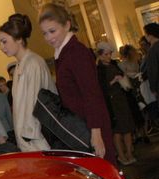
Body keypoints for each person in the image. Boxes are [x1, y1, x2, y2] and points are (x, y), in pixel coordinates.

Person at [38, 3, 113, 162]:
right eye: (45, 33)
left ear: (67, 25)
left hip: (91, 128)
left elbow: (92, 94)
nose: (49, 38)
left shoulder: (76, 52)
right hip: (82, 128)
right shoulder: (63, 53)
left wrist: (96, 134)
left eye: (52, 31)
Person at [0, 13, 55, 151]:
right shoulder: (19, 65)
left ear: (18, 39)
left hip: (39, 139)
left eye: (4, 41)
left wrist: (28, 138)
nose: (1, 47)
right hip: (29, 139)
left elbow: (34, 104)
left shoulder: (33, 63)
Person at [96, 42, 138, 165]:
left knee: (128, 127)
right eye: (106, 54)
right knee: (117, 130)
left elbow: (123, 76)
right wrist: (114, 80)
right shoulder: (99, 70)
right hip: (112, 101)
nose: (109, 56)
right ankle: (121, 155)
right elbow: (101, 88)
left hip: (122, 99)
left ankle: (129, 153)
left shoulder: (114, 64)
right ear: (100, 55)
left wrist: (123, 78)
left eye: (109, 54)